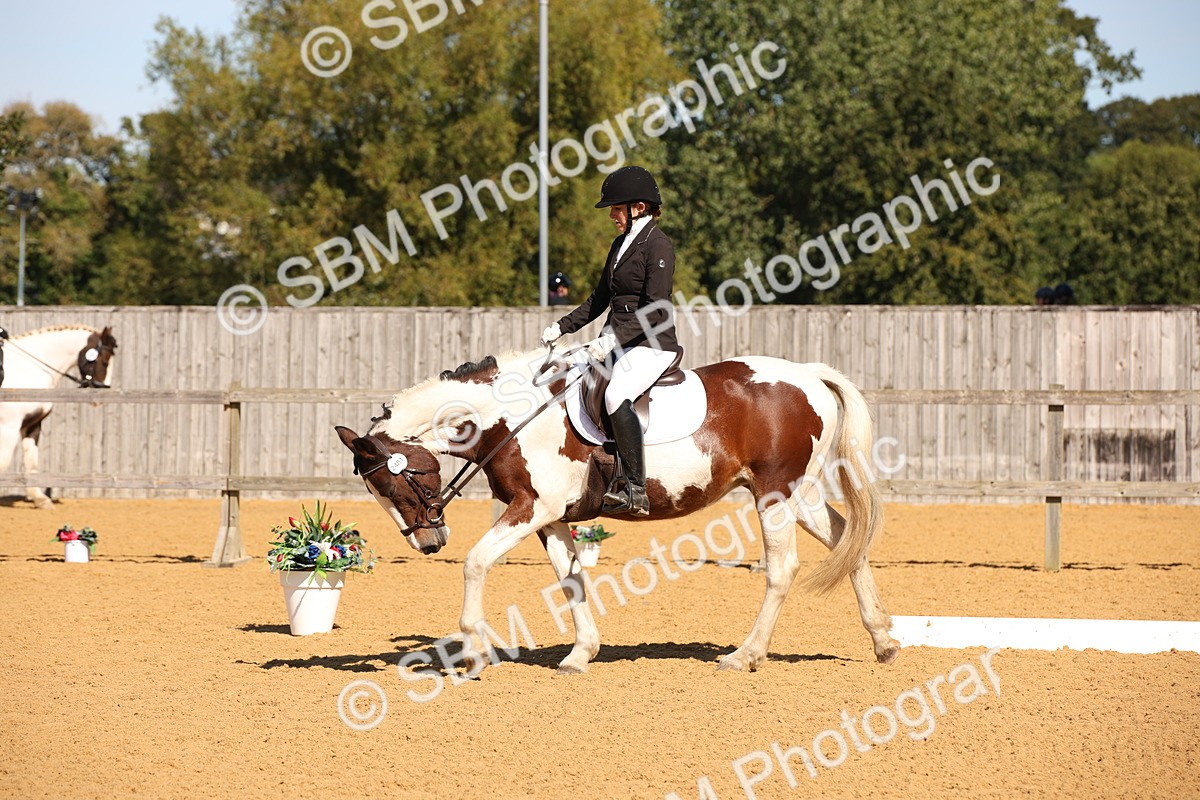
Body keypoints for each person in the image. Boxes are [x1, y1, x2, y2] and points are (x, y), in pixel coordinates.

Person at [538, 165, 681, 516]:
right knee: (567, 378)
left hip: (651, 344)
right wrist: (562, 326)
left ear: (639, 208)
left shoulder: (658, 244)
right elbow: (598, 299)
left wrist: (613, 339)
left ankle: (635, 488)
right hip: (618, 341)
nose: (613, 216)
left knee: (617, 393)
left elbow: (657, 308)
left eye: (618, 209)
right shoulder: (621, 244)